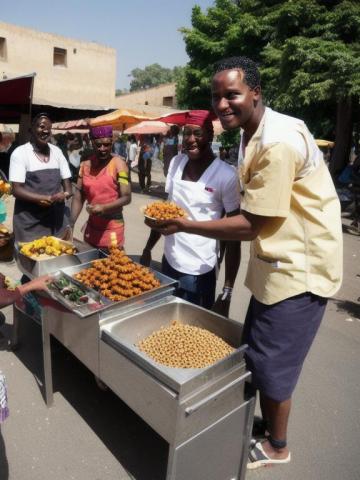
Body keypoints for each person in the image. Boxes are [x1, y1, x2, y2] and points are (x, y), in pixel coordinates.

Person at [146, 57, 343, 469]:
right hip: (275, 266)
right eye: (216, 96)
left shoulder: (276, 141)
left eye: (231, 94)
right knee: (256, 351)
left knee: (274, 365)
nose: (222, 104)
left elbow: (251, 224)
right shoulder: (253, 132)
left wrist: (185, 224)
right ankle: (265, 426)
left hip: (299, 271)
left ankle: (278, 446)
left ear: (256, 92)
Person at [141, 110, 241, 312]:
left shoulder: (226, 175)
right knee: (166, 321)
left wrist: (227, 291)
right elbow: (165, 211)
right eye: (187, 133)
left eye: (198, 133)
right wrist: (148, 248)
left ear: (210, 136)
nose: (191, 139)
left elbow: (234, 235)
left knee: (193, 327)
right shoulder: (177, 163)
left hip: (200, 269)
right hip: (170, 260)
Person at [9, 113, 72, 243]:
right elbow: (16, 189)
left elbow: (68, 188)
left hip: (56, 221)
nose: (46, 131)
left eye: (49, 128)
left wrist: (64, 194)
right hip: (29, 223)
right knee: (32, 258)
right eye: (41, 126)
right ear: (31, 129)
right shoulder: (20, 153)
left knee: (56, 259)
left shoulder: (57, 152)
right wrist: (45, 198)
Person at [70, 125, 131, 249]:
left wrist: (104, 207)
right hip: (92, 228)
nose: (103, 148)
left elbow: (126, 197)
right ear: (91, 142)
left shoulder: (120, 165)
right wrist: (70, 223)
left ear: (112, 142)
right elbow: (79, 196)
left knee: (112, 265)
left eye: (107, 144)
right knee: (90, 265)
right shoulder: (85, 166)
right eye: (98, 145)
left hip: (112, 229)